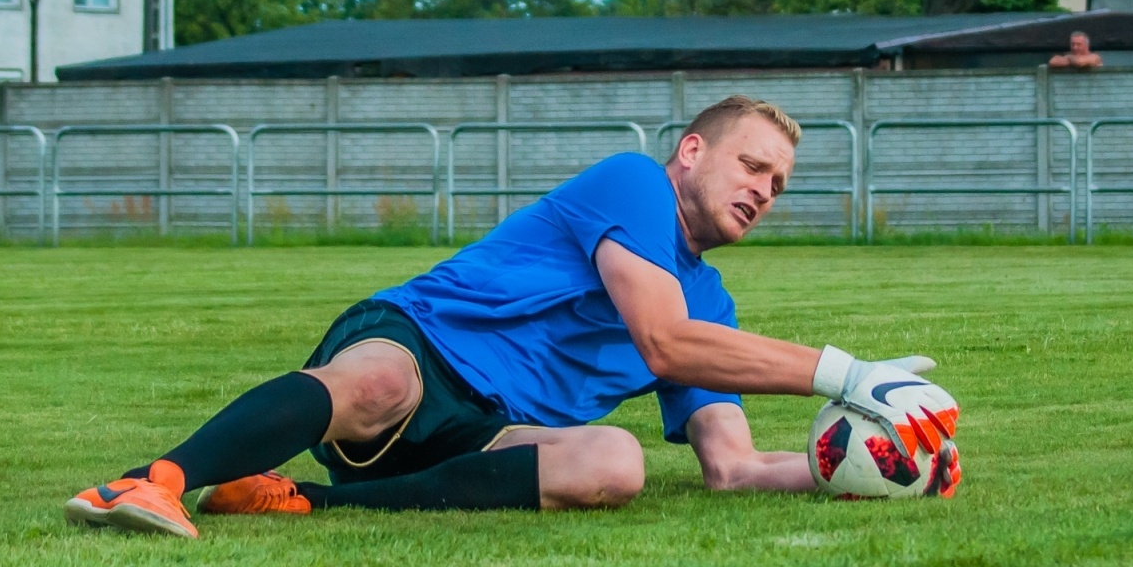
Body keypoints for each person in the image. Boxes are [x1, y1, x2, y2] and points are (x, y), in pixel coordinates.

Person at [65, 96, 961, 538]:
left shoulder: (711, 303)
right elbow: (662, 341)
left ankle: (304, 498)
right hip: (419, 347)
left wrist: (873, 466)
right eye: (752, 166)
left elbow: (731, 468)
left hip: (486, 432)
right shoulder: (634, 184)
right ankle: (152, 481)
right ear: (691, 152)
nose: (764, 190)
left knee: (615, 462)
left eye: (778, 184)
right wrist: (848, 374)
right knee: (376, 384)